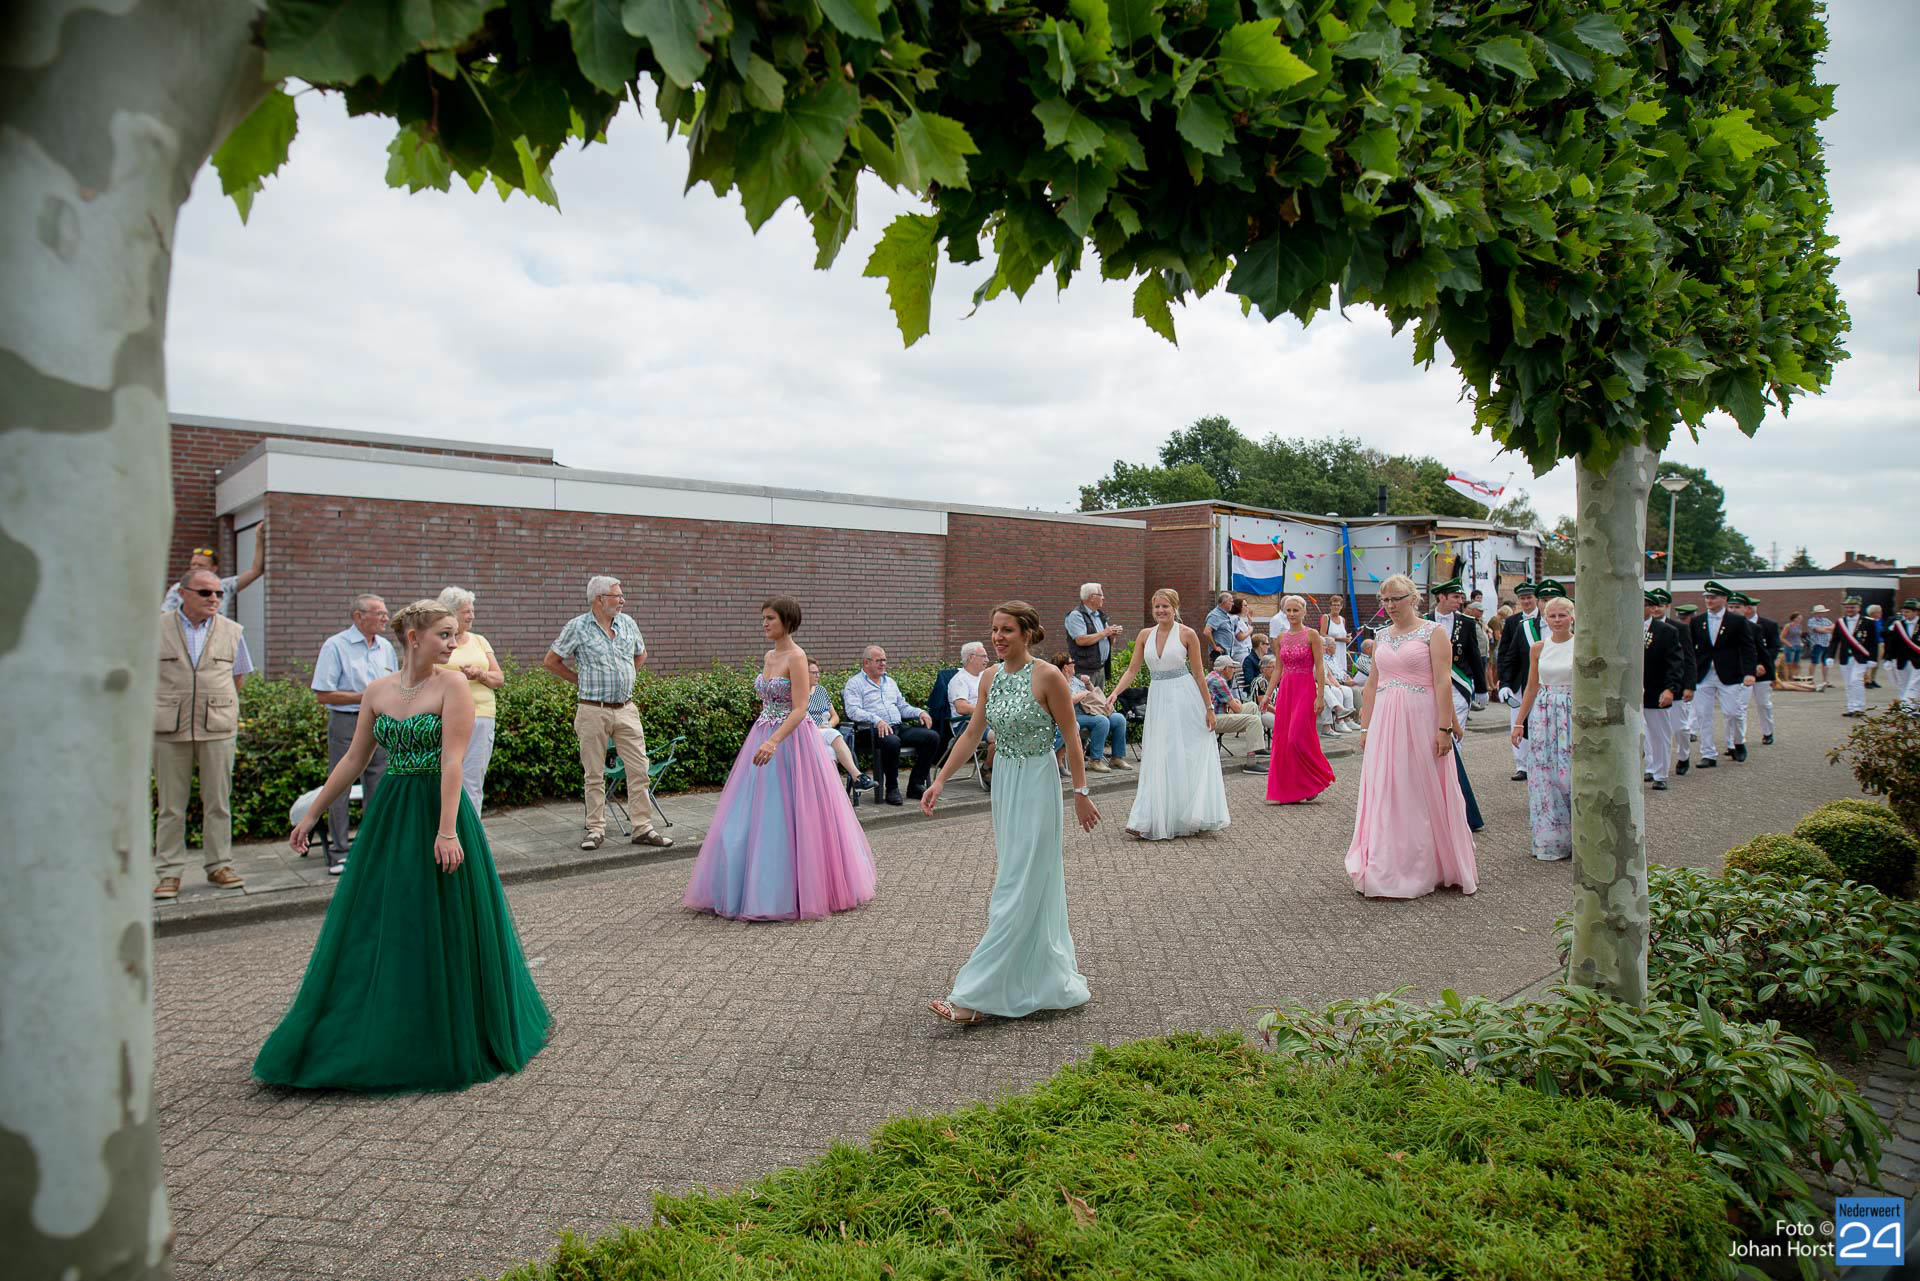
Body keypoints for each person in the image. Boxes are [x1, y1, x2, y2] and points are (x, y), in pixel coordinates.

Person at [259, 599, 549, 1091]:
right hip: (392, 812)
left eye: (455, 634)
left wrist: (447, 830)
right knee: (387, 915)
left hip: (440, 810)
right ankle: (384, 1016)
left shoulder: (453, 685)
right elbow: (353, 760)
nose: (453, 643)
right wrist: (311, 814)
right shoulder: (377, 691)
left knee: (445, 916)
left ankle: (447, 1023)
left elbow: (453, 760)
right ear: (414, 637)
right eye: (444, 634)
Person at [923, 602, 1099, 1025]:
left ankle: (972, 996)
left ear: (1027, 633)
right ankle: (1031, 978)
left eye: (1007, 630)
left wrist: (1080, 792)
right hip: (1005, 783)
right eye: (994, 630)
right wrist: (940, 780)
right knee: (1017, 879)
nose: (998, 637)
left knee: (1017, 886)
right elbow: (972, 734)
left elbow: (1072, 735)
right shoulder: (989, 677)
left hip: (1038, 782)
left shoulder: (1048, 676)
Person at [684, 598, 877, 921]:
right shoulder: (769, 656)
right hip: (762, 733)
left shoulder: (797, 657)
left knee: (792, 811)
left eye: (770, 618)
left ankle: (795, 891)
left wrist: (774, 741)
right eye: (763, 618)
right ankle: (749, 886)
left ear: (787, 621)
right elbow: (768, 701)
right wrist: (766, 736)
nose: (764, 624)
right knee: (753, 812)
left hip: (791, 742)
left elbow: (800, 708)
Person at [1345, 575, 1477, 898]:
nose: (1390, 606)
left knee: (1418, 789)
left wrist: (1445, 728)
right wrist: (1365, 726)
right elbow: (1372, 685)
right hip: (1384, 721)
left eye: (1396, 599)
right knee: (1387, 789)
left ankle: (1425, 865)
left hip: (1421, 718)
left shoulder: (1433, 632)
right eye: (1385, 600)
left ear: (1413, 598)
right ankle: (1386, 862)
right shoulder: (1380, 636)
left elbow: (1443, 682)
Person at [544, 576, 673, 851]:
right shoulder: (577, 627)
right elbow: (551, 661)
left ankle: (642, 828)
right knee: (594, 774)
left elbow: (641, 653)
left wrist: (628, 677)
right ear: (599, 598)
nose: (622, 600)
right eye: (617, 595)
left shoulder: (628, 623)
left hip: (626, 709)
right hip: (593, 710)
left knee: (639, 769)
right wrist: (579, 680)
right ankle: (595, 829)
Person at [153, 569, 254, 899]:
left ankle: (219, 865)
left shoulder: (233, 631)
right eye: (205, 592)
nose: (214, 599)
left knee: (218, 802)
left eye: (218, 594)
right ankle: (169, 872)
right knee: (170, 806)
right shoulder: (156, 628)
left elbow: (238, 677)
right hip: (169, 727)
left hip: (218, 726)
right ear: (182, 593)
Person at [1108, 588, 1230, 840]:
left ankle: (1187, 814)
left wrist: (1209, 708)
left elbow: (1199, 674)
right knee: (1158, 754)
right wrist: (1115, 693)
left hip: (1184, 698)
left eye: (1166, 606)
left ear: (1175, 607)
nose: (1161, 611)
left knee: (1182, 753)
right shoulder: (1145, 635)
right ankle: (1149, 817)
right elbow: (1132, 670)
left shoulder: (1187, 634)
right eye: (1157, 607)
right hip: (1159, 698)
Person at [311, 594, 398, 874]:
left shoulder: (386, 647)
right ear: (359, 616)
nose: (386, 618)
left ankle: (373, 849)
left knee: (379, 787)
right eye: (379, 613)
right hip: (347, 721)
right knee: (341, 785)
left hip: (382, 722)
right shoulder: (335, 646)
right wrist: (367, 697)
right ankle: (339, 852)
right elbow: (323, 694)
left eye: (386, 613)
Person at [1511, 596, 1577, 860]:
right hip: (1543, 714)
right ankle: (1552, 840)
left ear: (1572, 617)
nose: (1557, 620)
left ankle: (1580, 839)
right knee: (1545, 777)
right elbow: (1531, 686)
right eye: (1553, 616)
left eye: (1562, 615)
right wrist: (1519, 721)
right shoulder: (1538, 648)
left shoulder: (1581, 645)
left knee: (1569, 776)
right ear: (1545, 618)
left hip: (1572, 712)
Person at [844, 645, 942, 804]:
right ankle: (892, 788)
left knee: (932, 737)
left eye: (884, 660)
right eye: (878, 660)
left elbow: (902, 706)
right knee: (892, 741)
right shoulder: (855, 683)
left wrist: (920, 712)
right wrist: (876, 720)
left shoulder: (889, 682)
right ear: (866, 662)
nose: (883, 663)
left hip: (896, 727)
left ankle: (915, 785)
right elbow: (853, 711)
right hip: (870, 731)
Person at [436, 586, 503, 813]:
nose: (472, 615)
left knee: (473, 780)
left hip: (481, 716)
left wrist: (479, 674)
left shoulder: (480, 641)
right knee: (445, 776)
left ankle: (470, 830)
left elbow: (499, 678)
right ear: (451, 613)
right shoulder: (437, 641)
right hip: (446, 717)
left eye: (472, 610)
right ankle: (445, 827)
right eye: (467, 611)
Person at [1265, 592, 1336, 803]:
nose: (1292, 614)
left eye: (1296, 610)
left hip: (1305, 689)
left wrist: (1320, 696)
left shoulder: (1312, 635)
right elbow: (1278, 669)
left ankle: (1316, 777)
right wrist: (1267, 695)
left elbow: (1320, 666)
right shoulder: (1280, 638)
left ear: (1304, 611)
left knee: (1297, 738)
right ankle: (1294, 789)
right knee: (1284, 741)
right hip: (1286, 690)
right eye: (1288, 610)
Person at [1430, 578, 1486, 832]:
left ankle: (1456, 798)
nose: (1460, 601)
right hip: (1430, 687)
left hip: (1459, 687)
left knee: (1453, 740)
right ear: (1441, 597)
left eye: (1461, 597)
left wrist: (1481, 689)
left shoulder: (1467, 622)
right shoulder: (1425, 620)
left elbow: (1474, 656)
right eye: (1455, 597)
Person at [1685, 581, 1759, 767]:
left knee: (1733, 712)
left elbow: (1748, 648)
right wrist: (1688, 675)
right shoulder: (1697, 621)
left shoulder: (1737, 621)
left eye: (1713, 597)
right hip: (1703, 674)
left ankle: (1738, 742)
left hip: (1729, 673)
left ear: (1724, 598)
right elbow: (1690, 650)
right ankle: (1708, 753)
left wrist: (1749, 672)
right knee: (1703, 715)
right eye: (1707, 597)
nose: (1709, 600)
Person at [161, 525, 266, 617]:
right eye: (193, 564)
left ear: (213, 569)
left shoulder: (224, 586)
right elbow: (163, 615)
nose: (195, 568)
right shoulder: (178, 589)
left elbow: (255, 571)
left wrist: (259, 538)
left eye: (201, 565)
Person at [804, 659, 877, 790]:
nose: (817, 675)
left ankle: (830, 791)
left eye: (818, 672)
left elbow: (835, 716)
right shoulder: (799, 694)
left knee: (831, 751)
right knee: (834, 735)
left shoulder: (821, 691)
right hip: (808, 732)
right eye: (813, 673)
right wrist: (816, 727)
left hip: (825, 732)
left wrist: (829, 725)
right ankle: (857, 777)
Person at [1052, 652, 1130, 772]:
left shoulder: (1075, 680)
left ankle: (1117, 758)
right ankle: (1095, 760)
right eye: (1072, 662)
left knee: (1119, 719)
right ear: (1065, 667)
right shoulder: (1058, 682)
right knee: (1101, 721)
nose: (1074, 664)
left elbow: (1094, 694)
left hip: (1091, 711)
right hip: (1074, 715)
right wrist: (1083, 694)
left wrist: (1088, 684)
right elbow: (1067, 701)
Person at [1641, 589, 1687, 792]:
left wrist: (1670, 689)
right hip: (1631, 691)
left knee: (1659, 734)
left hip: (1656, 689)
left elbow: (1675, 663)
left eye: (1643, 604)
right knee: (1640, 735)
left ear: (1651, 608)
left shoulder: (1666, 631)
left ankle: (1660, 774)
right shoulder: (1623, 627)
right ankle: (1648, 767)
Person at [1496, 582, 1542, 781]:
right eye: (1523, 598)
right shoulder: (1513, 621)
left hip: (1542, 678)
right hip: (1518, 680)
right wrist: (1504, 681)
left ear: (1535, 599)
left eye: (1529, 597)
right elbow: (1506, 653)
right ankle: (1522, 765)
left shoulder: (1545, 619)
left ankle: (1539, 762)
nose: (1526, 601)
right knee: (1519, 721)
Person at [1737, 594, 1780, 745]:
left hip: (1763, 671)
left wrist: (1762, 664)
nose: (1749, 609)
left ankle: (1768, 732)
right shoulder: (1736, 625)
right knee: (1741, 705)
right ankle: (1740, 739)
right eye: (1746, 607)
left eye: (1752, 606)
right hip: (1743, 670)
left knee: (1763, 704)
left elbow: (1774, 647)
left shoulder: (1769, 625)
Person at [1065, 583, 1124, 684]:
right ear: (1092, 597)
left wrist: (1112, 636)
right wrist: (1105, 633)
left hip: (1101, 669)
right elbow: (1080, 640)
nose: (1103, 598)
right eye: (1101, 595)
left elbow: (1108, 642)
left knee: (1099, 695)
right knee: (1086, 695)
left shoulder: (1100, 615)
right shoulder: (1076, 615)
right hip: (1084, 671)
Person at [1670, 602, 1701, 775]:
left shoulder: (1679, 629)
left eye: (1660, 605)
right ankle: (1652, 768)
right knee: (1651, 732)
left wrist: (1689, 685)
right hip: (1652, 685)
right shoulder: (1638, 626)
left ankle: (1683, 756)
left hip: (1676, 683)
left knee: (1680, 727)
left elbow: (1689, 658)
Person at [1833, 596, 1876, 716]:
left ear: (1859, 608)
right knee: (1848, 683)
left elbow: (1873, 642)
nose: (1849, 610)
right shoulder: (1840, 622)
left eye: (1852, 607)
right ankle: (1851, 708)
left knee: (1856, 681)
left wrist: (1872, 658)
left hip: (1860, 657)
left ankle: (1859, 707)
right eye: (1847, 607)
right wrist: (1830, 656)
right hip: (1845, 657)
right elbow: (1835, 640)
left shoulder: (1868, 622)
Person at [1888, 599, 1920, 710]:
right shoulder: (1898, 625)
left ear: (1916, 612)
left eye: (1907, 612)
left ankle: (1907, 709)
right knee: (1903, 685)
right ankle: (1907, 708)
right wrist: (1889, 658)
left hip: (1918, 660)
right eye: (1903, 612)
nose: (1905, 614)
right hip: (1902, 659)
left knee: (1914, 685)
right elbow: (1892, 643)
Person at [1204, 592, 1245, 662]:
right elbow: (1206, 632)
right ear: (1224, 602)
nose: (1233, 604)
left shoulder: (1225, 615)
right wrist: (1215, 647)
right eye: (1231, 601)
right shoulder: (1215, 615)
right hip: (1220, 654)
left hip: (1226, 654)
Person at [1322, 595, 1353, 676]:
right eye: (1334, 605)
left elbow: (1342, 634)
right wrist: (1340, 639)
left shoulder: (1342, 619)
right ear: (1330, 606)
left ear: (1341, 606)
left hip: (1342, 650)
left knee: (1342, 672)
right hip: (1330, 651)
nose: (1336, 607)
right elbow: (1322, 634)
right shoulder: (1326, 617)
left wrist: (1347, 637)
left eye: (1338, 605)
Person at [1806, 603, 1835, 691]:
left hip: (1827, 643)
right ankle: (1810, 680)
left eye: (1823, 612)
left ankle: (1825, 680)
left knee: (1825, 662)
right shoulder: (1811, 621)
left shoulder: (1826, 620)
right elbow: (1819, 630)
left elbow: (1834, 627)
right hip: (1817, 643)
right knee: (1814, 661)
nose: (1822, 613)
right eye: (1821, 612)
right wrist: (1828, 629)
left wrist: (1826, 629)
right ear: (1816, 613)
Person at [1865, 604, 1886, 688]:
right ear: (1873, 613)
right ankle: (1866, 681)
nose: (1881, 613)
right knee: (1869, 663)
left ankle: (1872, 679)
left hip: (1880, 643)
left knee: (1876, 663)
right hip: (1871, 644)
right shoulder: (1868, 621)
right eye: (1879, 612)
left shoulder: (1879, 621)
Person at [1781, 611, 1807, 682]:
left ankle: (1794, 677)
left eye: (1801, 618)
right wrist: (1789, 644)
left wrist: (1801, 643)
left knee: (1796, 663)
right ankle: (1787, 678)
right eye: (1798, 618)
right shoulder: (1788, 626)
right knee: (1788, 663)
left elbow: (1798, 636)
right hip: (1790, 646)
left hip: (1798, 646)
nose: (1800, 619)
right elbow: (1782, 637)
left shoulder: (1799, 626)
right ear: (1794, 618)